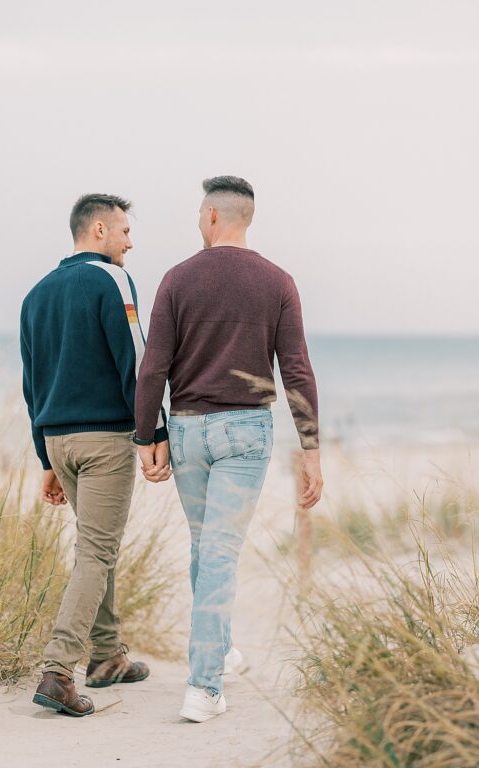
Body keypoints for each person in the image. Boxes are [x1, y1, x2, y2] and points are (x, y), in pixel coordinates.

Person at [134, 175, 323, 723]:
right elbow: (297, 371)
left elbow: (153, 368)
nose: (197, 222)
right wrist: (311, 449)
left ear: (215, 217)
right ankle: (204, 684)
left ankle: (215, 658)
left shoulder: (176, 278)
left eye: (199, 213)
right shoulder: (277, 281)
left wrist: (148, 436)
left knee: (207, 550)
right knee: (214, 552)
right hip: (244, 433)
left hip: (189, 430)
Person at [21, 193, 169, 717]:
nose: (131, 241)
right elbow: (139, 362)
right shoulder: (112, 279)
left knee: (95, 546)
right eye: (125, 231)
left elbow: (31, 384)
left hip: (60, 441)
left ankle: (107, 658)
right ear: (100, 229)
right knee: (97, 552)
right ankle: (59, 670)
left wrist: (45, 458)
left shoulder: (36, 294)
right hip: (105, 440)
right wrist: (154, 433)